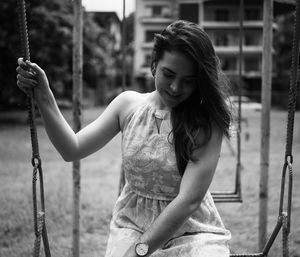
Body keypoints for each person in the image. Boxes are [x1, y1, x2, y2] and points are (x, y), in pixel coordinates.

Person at [16, 20, 232, 257]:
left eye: (188, 81)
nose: (175, 87)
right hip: (132, 223)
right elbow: (72, 149)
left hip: (192, 230)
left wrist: (139, 251)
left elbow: (188, 201)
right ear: (153, 65)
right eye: (168, 74)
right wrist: (44, 96)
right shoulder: (128, 105)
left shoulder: (206, 121)